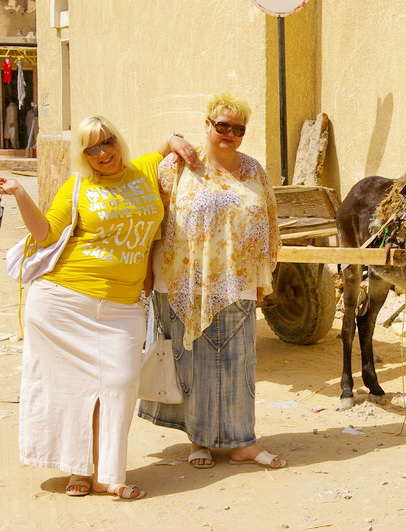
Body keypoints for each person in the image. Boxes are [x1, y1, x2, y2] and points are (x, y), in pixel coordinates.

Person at [0, 116, 197, 499]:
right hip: (65, 301)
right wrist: (18, 192)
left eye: (107, 142)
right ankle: (80, 470)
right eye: (92, 148)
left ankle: (106, 472)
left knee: (120, 383)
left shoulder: (144, 169)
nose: (103, 153)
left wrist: (175, 137)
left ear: (118, 140)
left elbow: (167, 144)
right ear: (84, 155)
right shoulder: (78, 186)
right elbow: (45, 234)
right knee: (72, 389)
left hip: (123, 306)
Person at [138, 93, 284, 470]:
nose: (229, 134)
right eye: (222, 126)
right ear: (207, 124)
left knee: (238, 364)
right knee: (192, 366)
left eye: (238, 129)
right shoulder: (178, 166)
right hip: (181, 280)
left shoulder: (253, 170)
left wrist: (262, 276)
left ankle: (242, 442)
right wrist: (170, 139)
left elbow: (268, 221)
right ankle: (198, 440)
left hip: (237, 281)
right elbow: (151, 210)